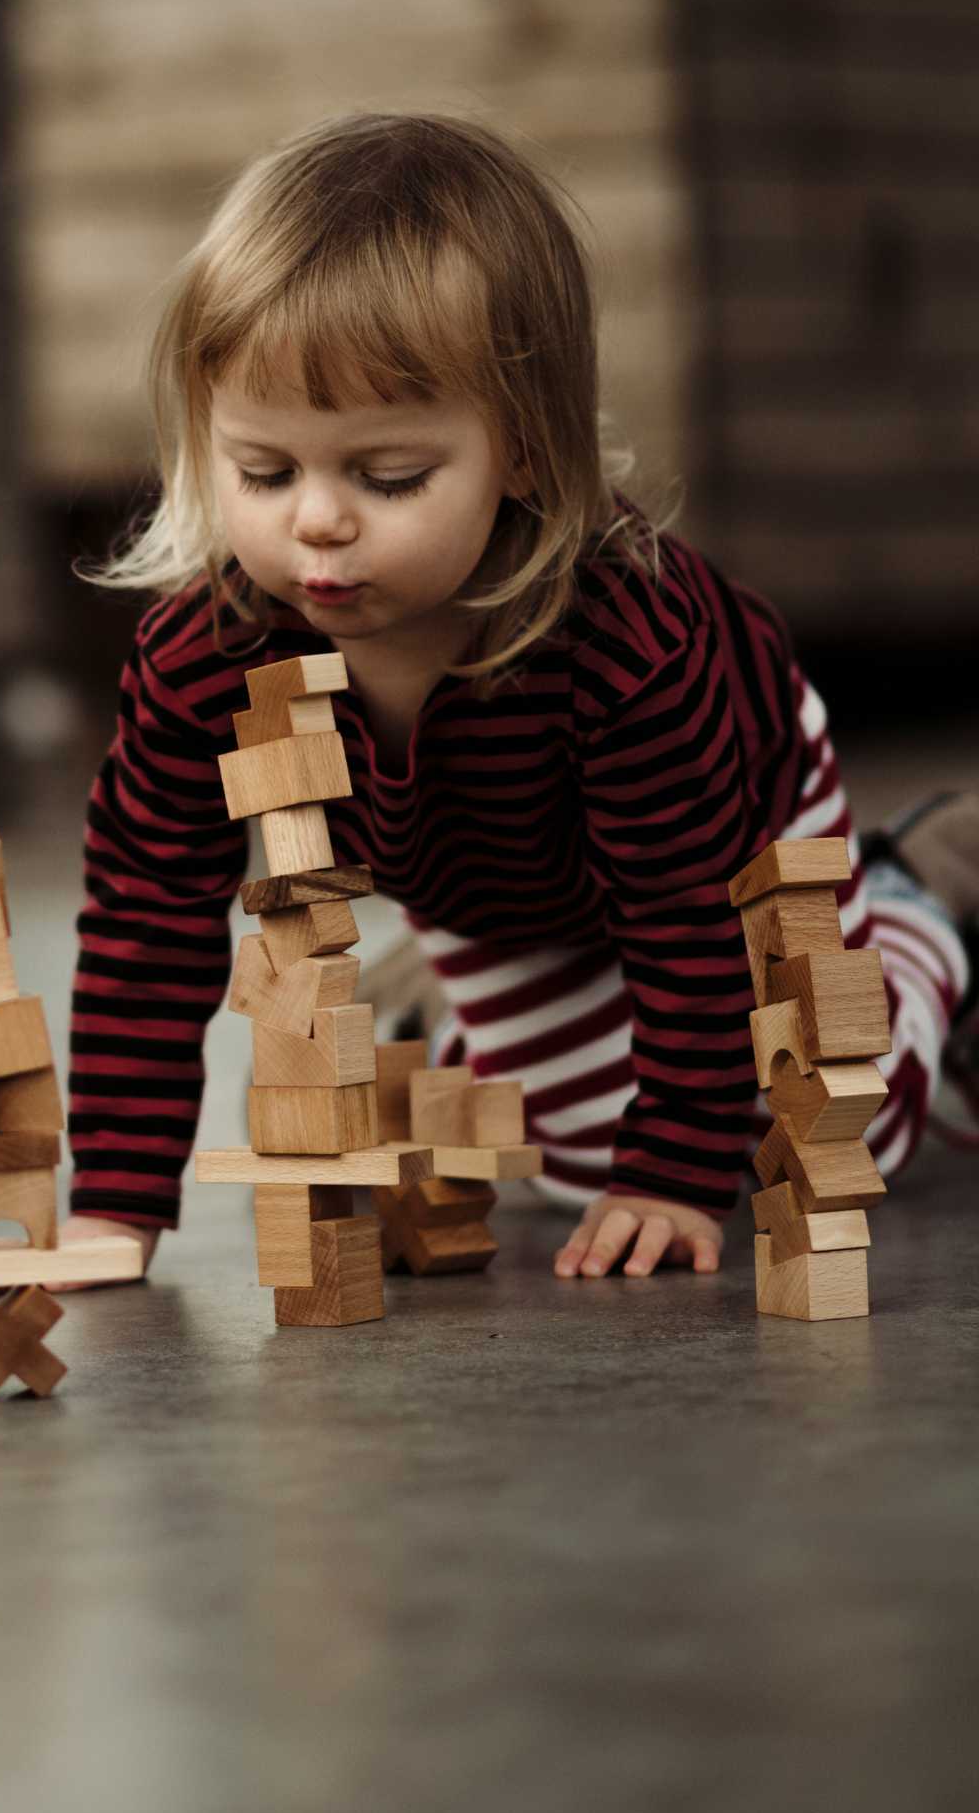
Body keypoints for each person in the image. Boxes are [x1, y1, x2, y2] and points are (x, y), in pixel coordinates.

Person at [57, 114, 973, 1282]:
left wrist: (670, 1171)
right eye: (262, 471)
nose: (316, 521)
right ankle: (435, 1002)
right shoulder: (201, 655)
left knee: (826, 1131)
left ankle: (920, 904)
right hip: (479, 863)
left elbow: (685, 913)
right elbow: (146, 918)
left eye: (388, 477)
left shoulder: (622, 648)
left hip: (724, 828)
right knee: (539, 1158)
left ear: (525, 454)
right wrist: (114, 1204)